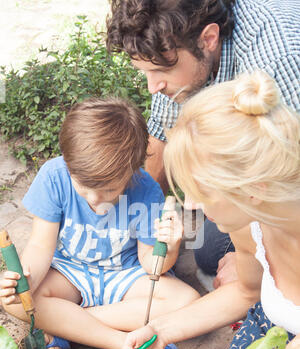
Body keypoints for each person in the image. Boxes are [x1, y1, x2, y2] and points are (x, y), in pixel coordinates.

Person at [69, 71, 300, 349]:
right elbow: (246, 292)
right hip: (270, 332)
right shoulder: (250, 218)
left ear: (255, 188)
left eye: (202, 193)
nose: (192, 207)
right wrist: (160, 331)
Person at [106, 0, 300, 283]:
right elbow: (162, 135)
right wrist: (137, 215)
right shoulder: (177, 49)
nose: (152, 86)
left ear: (208, 39)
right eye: (145, 72)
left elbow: (290, 178)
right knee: (210, 250)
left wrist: (261, 258)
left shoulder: (278, 62)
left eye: (161, 71)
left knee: (218, 253)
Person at [0, 97, 199, 349]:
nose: (95, 200)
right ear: (69, 165)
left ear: (131, 173)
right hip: (71, 272)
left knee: (188, 302)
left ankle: (68, 328)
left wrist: (170, 248)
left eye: (109, 190)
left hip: (126, 275)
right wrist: (27, 283)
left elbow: (152, 267)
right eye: (84, 187)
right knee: (14, 301)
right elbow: (39, 247)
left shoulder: (146, 189)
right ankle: (123, 341)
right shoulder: (54, 176)